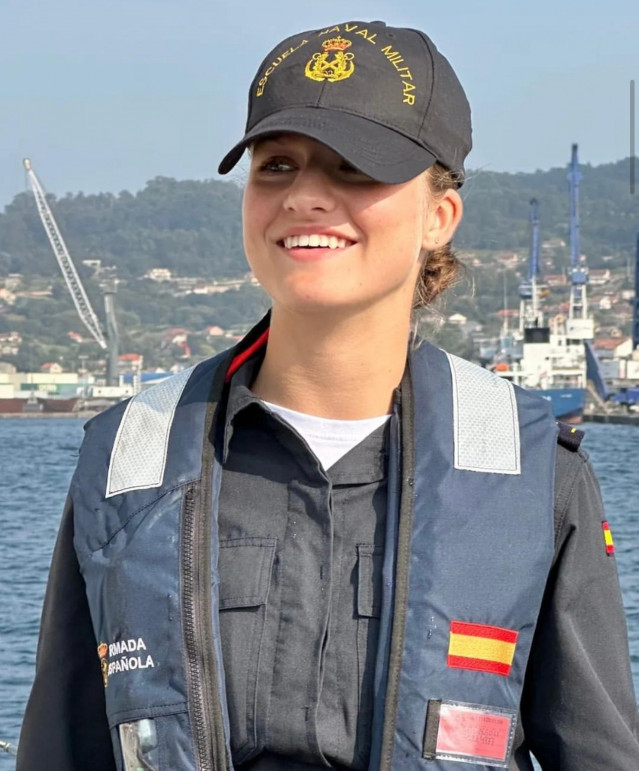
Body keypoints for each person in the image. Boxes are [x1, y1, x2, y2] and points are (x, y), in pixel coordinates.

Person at [17, 19, 639, 771]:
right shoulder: (127, 459)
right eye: (276, 165)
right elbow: (61, 743)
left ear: (438, 218)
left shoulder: (536, 478)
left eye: (353, 168)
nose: (306, 196)